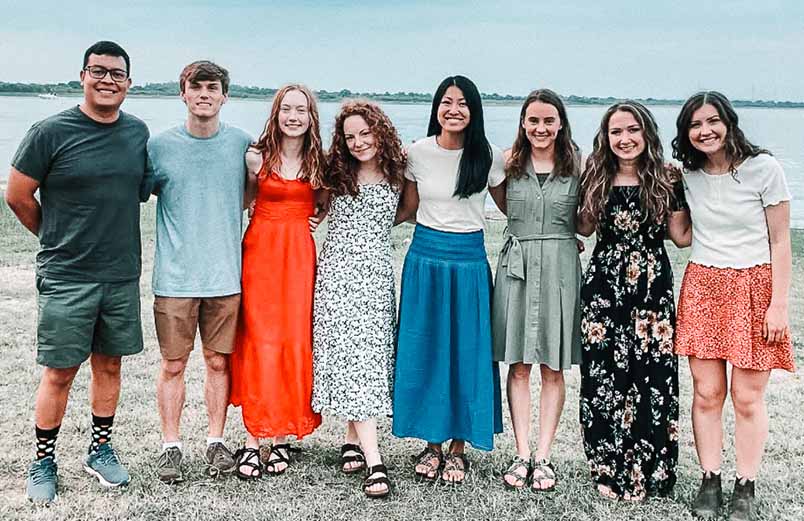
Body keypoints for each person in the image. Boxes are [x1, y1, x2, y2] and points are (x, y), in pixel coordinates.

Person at [5, 41, 149, 503]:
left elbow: (145, 188)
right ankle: (43, 459)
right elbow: (18, 194)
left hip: (121, 273)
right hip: (67, 275)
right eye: (98, 71)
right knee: (60, 371)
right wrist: (52, 235)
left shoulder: (137, 133)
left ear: (128, 83)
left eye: (117, 74)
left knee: (110, 365)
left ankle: (99, 450)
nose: (107, 80)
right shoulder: (49, 131)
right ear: (82, 76)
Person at [672, 91, 794, 521]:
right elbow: (684, 237)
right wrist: (668, 194)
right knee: (707, 394)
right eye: (695, 124)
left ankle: (746, 485)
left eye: (712, 121)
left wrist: (778, 305)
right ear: (686, 132)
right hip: (705, 283)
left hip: (754, 285)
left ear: (728, 122)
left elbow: (781, 241)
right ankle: (710, 478)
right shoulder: (687, 175)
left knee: (746, 397)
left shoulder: (764, 169)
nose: (705, 131)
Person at [392, 75, 504, 485]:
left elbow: (515, 206)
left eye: (462, 103)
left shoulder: (488, 156)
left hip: (469, 261)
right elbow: (405, 208)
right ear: (436, 107)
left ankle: (458, 448)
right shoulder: (417, 153)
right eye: (446, 102)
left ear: (473, 111)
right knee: (427, 349)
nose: (453, 110)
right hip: (424, 260)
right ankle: (431, 443)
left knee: (467, 352)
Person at [144, 61, 252, 483]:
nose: (204, 94)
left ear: (225, 97)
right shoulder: (158, 147)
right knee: (173, 365)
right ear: (183, 94)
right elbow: (140, 190)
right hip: (174, 278)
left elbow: (253, 193)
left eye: (213, 88)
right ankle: (171, 447)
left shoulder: (242, 144)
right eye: (196, 87)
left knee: (218, 362)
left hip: (226, 276)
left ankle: (216, 441)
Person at [576, 101, 690, 502]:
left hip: (651, 290)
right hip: (604, 285)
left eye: (632, 130)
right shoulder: (597, 174)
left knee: (652, 379)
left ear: (647, 134)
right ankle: (606, 468)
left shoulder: (668, 177)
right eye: (615, 132)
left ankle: (650, 470)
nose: (624, 139)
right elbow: (584, 227)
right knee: (604, 379)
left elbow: (681, 237)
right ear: (606, 139)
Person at [229, 84, 325, 479]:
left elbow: (327, 203)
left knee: (292, 341)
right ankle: (254, 438)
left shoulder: (320, 163)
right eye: (286, 109)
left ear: (310, 117)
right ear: (276, 113)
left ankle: (282, 436)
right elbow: (243, 202)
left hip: (299, 257)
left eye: (300, 110)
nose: (293, 117)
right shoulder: (256, 157)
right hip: (260, 253)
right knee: (258, 341)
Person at [312, 100, 406, 498]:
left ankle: (352, 439)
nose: (358, 142)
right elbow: (311, 205)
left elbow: (409, 210)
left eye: (365, 133)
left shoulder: (399, 169)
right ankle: (375, 461)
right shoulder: (335, 170)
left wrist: (370, 235)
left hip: (376, 274)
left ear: (379, 131)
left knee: (369, 359)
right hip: (337, 275)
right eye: (350, 136)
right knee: (352, 359)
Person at [491, 89, 582, 492]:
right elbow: (505, 206)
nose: (541, 128)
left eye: (548, 120)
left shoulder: (579, 165)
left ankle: (544, 456)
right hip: (517, 267)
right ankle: (522, 452)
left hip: (561, 267)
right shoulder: (507, 164)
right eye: (533, 121)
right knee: (518, 363)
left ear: (560, 123)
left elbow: (587, 220)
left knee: (552, 365)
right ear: (523, 124)